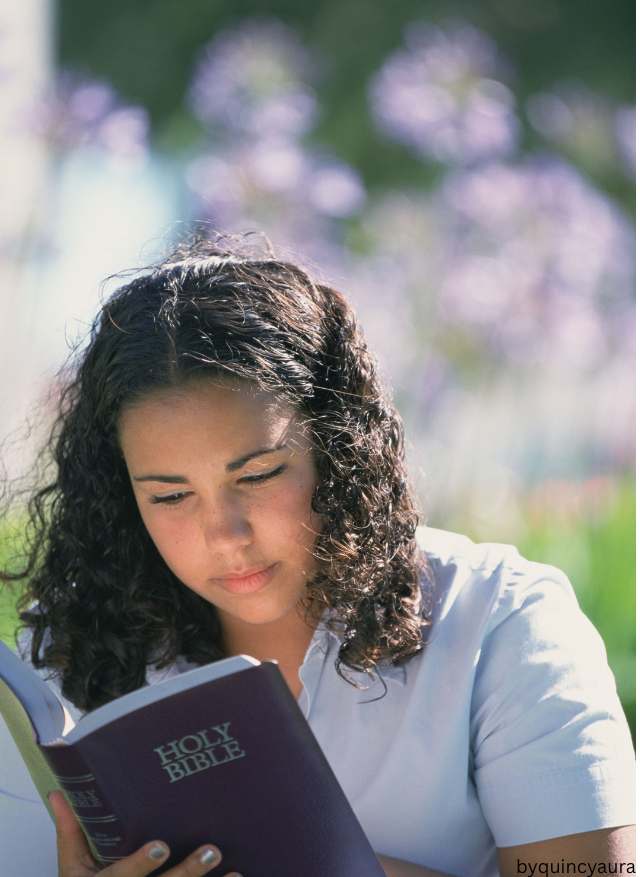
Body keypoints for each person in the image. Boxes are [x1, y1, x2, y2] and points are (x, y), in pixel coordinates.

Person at [0, 234, 635, 877]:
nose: (225, 533)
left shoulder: (502, 620)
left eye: (258, 476)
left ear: (336, 449)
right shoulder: (70, 650)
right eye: (170, 496)